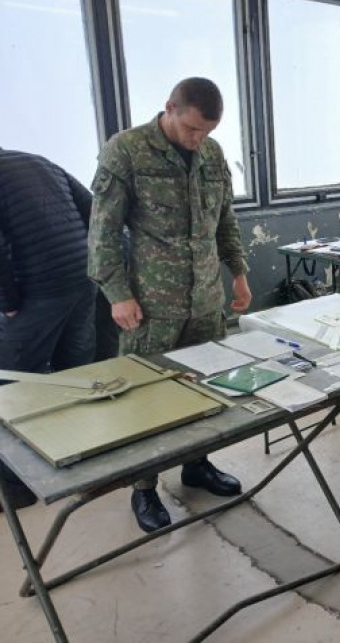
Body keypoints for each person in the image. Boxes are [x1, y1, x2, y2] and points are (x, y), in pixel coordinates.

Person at [88, 77, 252, 533]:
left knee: (205, 390)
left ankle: (196, 465)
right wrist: (117, 294)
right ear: (169, 108)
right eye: (192, 129)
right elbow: (102, 231)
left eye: (207, 131)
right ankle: (143, 487)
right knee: (145, 399)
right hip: (150, 307)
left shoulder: (212, 154)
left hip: (205, 302)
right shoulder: (126, 150)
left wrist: (238, 273)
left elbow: (225, 220)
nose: (198, 139)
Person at [0, 148, 98, 512]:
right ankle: (78, 459)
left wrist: (8, 301)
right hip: (82, 277)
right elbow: (93, 208)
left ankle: (16, 487)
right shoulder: (37, 160)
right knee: (73, 374)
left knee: (12, 385)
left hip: (37, 292)